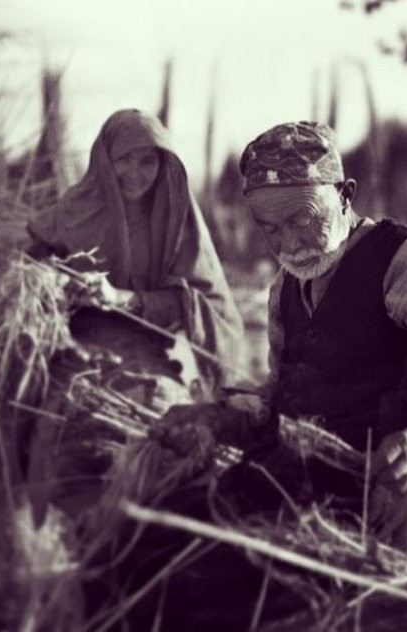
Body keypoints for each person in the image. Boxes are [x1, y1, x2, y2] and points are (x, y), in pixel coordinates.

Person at [159, 121, 407, 555]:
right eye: (270, 229)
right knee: (165, 544)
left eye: (302, 218)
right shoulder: (285, 289)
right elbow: (288, 398)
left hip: (372, 505)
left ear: (344, 195)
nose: (289, 242)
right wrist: (219, 416)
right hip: (290, 484)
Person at [23, 109, 243, 521]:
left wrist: (127, 299)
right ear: (104, 159)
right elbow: (26, 277)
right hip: (74, 356)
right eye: (123, 159)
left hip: (151, 362)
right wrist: (58, 287)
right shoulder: (74, 210)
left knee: (156, 462)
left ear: (164, 166)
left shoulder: (177, 217)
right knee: (48, 449)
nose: (135, 173)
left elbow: (210, 306)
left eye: (148, 161)